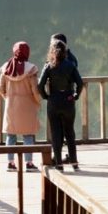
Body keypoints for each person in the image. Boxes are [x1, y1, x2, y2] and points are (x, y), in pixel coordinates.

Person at [38, 40, 83, 171]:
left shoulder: (48, 66)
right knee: (70, 132)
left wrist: (46, 96)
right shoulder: (70, 65)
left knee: (56, 133)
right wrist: (75, 96)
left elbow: (40, 85)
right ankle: (74, 162)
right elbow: (80, 83)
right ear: (65, 52)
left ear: (51, 52)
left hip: (54, 102)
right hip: (68, 101)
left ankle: (59, 164)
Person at [0, 41, 42, 172]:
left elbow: (1, 88)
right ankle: (28, 163)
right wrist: (38, 101)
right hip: (27, 105)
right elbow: (35, 90)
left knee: (10, 135)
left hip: (11, 105)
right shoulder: (31, 69)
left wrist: (8, 98)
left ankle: (10, 163)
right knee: (28, 135)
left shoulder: (6, 68)